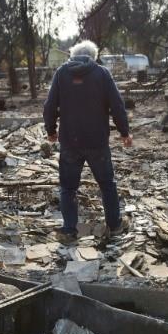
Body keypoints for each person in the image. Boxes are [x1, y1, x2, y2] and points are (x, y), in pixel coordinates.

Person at [43, 40, 132, 243]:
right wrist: (124, 132)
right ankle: (115, 225)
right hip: (97, 141)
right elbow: (117, 105)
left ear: (72, 55)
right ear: (93, 55)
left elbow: (49, 106)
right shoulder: (102, 74)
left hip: (69, 142)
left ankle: (68, 230)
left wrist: (51, 130)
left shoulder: (61, 74)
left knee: (68, 188)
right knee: (107, 184)